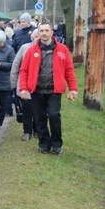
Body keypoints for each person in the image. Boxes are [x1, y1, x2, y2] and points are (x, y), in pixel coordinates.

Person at [18, 22, 78, 154]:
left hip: (54, 90)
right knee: (39, 118)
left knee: (54, 115)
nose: (44, 33)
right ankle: (44, 143)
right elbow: (24, 70)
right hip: (37, 90)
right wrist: (23, 88)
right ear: (38, 33)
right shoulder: (31, 50)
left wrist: (73, 88)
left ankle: (57, 143)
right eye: (41, 31)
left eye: (46, 30)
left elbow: (69, 70)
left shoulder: (62, 50)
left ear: (52, 32)